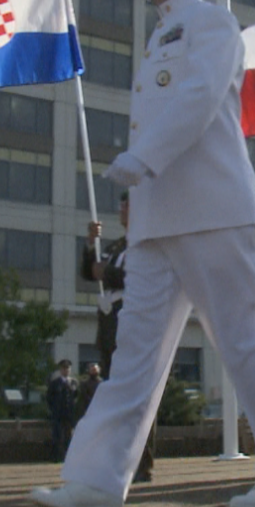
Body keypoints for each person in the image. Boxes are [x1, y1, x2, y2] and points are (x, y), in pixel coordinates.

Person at [31, 0, 255, 507]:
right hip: (158, 223)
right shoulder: (161, 37)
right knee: (132, 358)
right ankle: (98, 480)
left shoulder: (209, 22)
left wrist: (142, 158)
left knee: (240, 345)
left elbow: (200, 98)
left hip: (211, 211)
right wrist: (143, 192)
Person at [79, 191, 154, 482]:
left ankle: (141, 463)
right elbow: (89, 272)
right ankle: (118, 458)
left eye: (129, 203)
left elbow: (141, 276)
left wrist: (106, 273)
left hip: (133, 322)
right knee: (116, 395)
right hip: (111, 326)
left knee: (137, 396)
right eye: (121, 203)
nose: (122, 207)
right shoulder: (117, 244)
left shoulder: (146, 241)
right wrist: (90, 244)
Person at [47, 359, 79, 462]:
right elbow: (49, 398)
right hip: (58, 414)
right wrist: (53, 409)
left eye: (68, 368)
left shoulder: (74, 383)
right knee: (57, 436)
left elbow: (77, 397)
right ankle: (57, 457)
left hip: (70, 414)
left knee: (69, 437)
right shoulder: (55, 383)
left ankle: (69, 458)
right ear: (60, 370)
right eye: (64, 368)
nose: (66, 370)